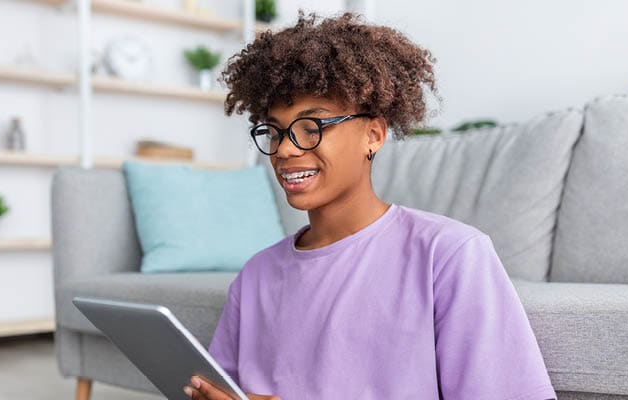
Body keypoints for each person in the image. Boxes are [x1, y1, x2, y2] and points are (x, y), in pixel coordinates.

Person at [183, 10, 556, 400]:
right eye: (274, 132)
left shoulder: (448, 255)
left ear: (373, 135)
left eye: (312, 128)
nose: (285, 149)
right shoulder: (256, 275)